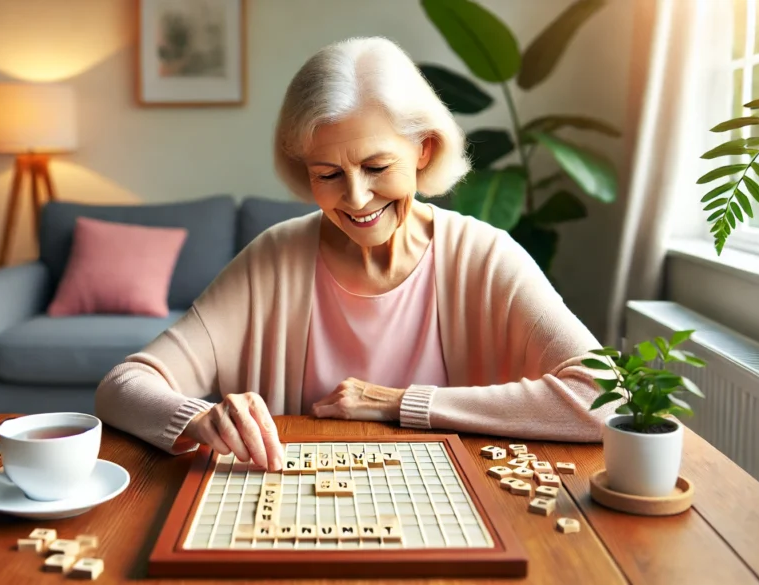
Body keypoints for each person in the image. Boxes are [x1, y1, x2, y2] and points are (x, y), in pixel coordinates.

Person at [95, 37, 614, 472]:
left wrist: (394, 402)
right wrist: (198, 418)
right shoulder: (273, 260)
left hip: (462, 504)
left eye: (377, 166)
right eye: (328, 174)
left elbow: (604, 398)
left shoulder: (483, 256)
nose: (357, 198)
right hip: (296, 507)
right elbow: (122, 386)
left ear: (424, 150)